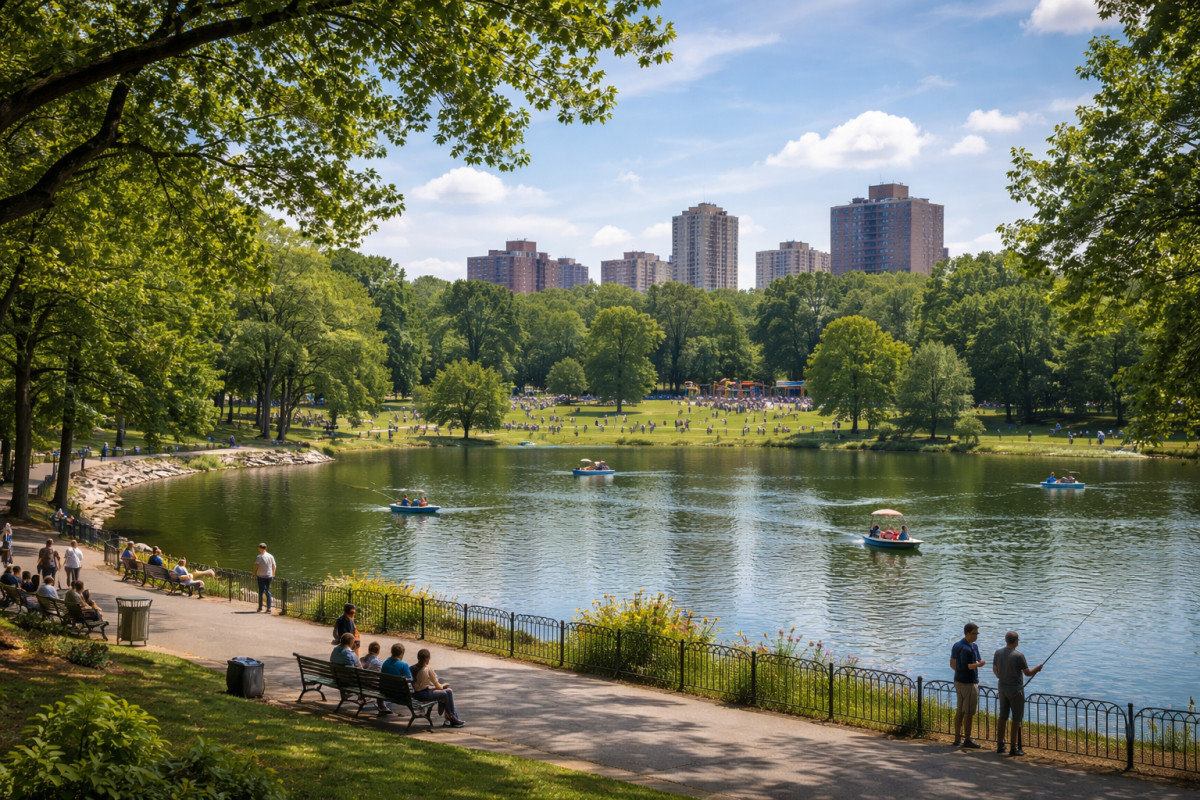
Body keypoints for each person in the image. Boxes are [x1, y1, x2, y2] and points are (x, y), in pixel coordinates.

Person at [993, 631, 1044, 757]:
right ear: (1015, 641)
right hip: (1015, 691)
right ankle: (1013, 748)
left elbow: (995, 670)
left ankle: (1000, 745)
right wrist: (1037, 669)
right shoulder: (1019, 655)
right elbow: (1027, 673)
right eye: (1017, 640)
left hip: (1002, 688)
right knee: (1016, 719)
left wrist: (1001, 678)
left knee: (1002, 717)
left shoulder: (998, 652)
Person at [950, 622, 986, 749]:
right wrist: (979, 665)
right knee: (969, 712)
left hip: (958, 681)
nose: (976, 636)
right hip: (969, 683)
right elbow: (969, 666)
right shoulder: (964, 647)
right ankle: (967, 739)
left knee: (960, 710)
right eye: (974, 633)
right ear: (967, 633)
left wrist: (959, 672)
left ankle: (957, 738)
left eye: (977, 633)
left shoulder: (964, 645)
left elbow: (952, 664)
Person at [412, 648, 464, 727]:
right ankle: (452, 717)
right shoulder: (428, 669)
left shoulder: (411, 668)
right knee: (446, 692)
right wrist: (445, 685)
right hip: (423, 695)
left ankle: (451, 718)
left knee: (448, 691)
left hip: (415, 694)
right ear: (427, 659)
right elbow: (439, 687)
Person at [254, 542, 276, 613]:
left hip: (261, 576)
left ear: (260, 548)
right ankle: (269, 608)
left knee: (261, 591)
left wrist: (254, 572)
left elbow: (256, 565)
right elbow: (274, 566)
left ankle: (260, 607)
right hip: (269, 576)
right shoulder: (271, 556)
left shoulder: (259, 557)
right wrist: (273, 574)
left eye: (258, 548)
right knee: (267, 591)